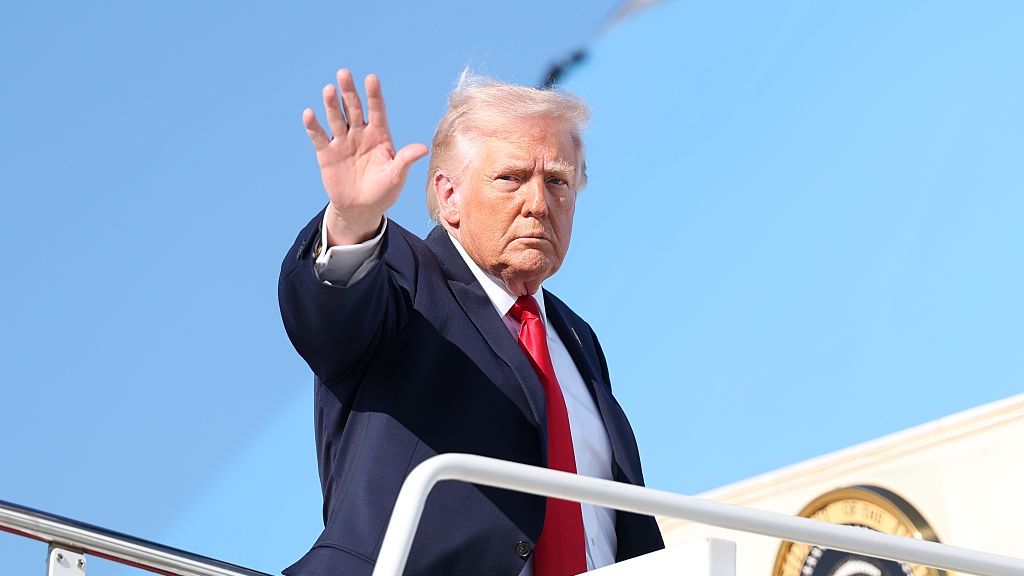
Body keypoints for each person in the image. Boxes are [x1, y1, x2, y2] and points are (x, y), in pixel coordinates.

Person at [279, 68, 664, 576]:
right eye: (511, 178)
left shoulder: (577, 338)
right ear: (449, 196)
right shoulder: (402, 279)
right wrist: (352, 224)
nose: (538, 204)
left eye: (558, 182)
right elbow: (329, 315)